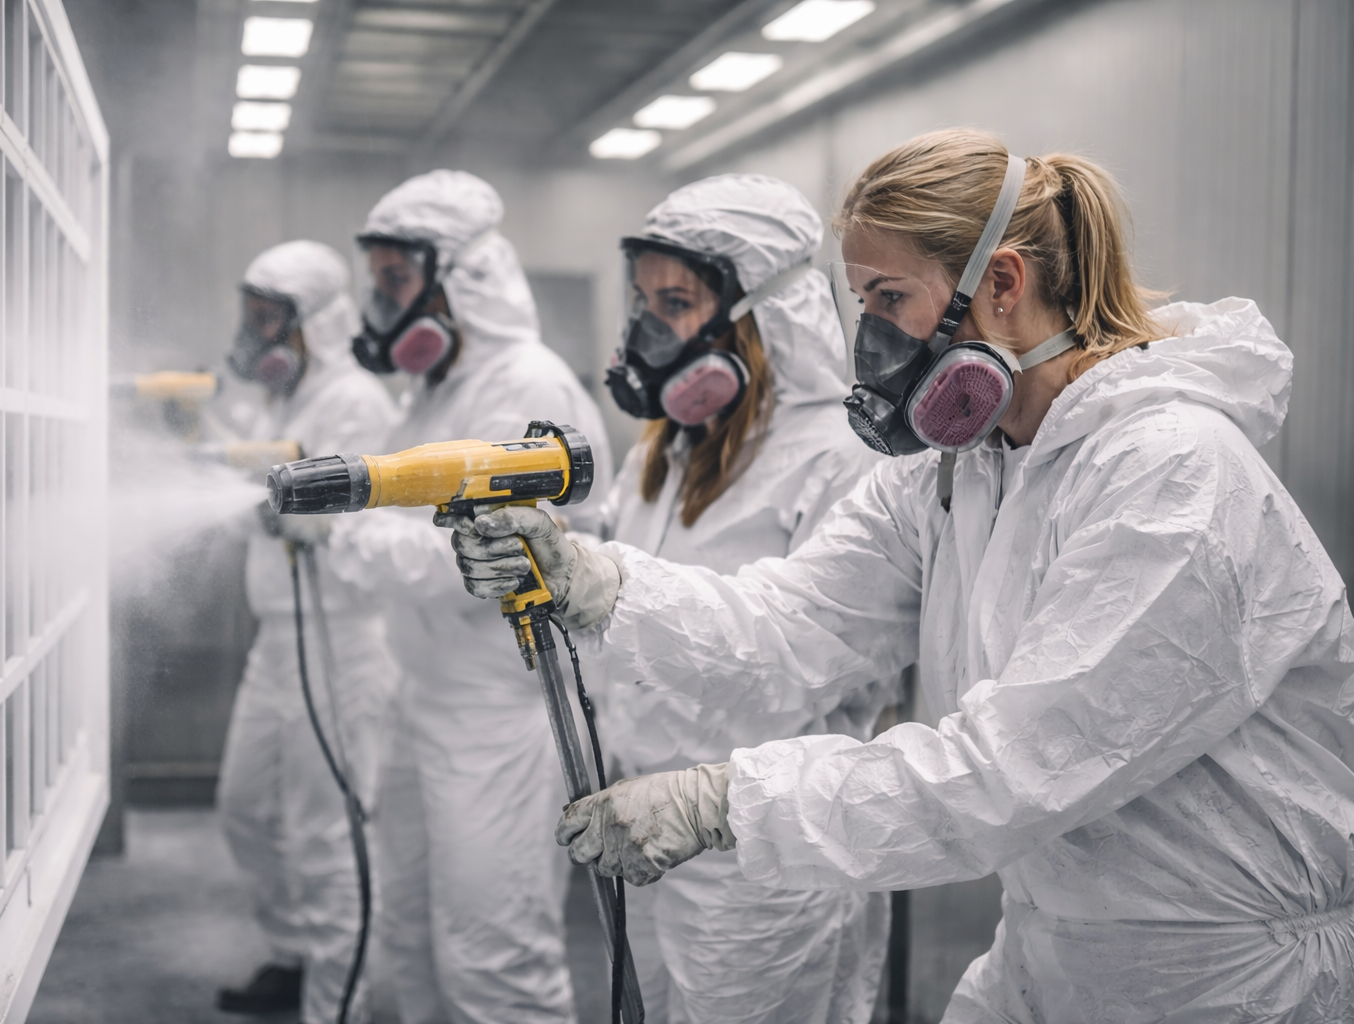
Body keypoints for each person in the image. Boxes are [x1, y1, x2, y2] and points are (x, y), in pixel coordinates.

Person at [448, 130, 1354, 1022]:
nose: (872, 339)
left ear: (1002, 284)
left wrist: (726, 799)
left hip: (1228, 976)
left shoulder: (1172, 475)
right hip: (1056, 945)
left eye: (891, 298)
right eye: (862, 305)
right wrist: (593, 580)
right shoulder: (959, 472)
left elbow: (1013, 766)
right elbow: (792, 622)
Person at [565, 174, 890, 1023]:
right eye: (643, 303)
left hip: (762, 853)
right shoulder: (665, 452)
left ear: (760, 312)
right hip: (642, 819)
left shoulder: (838, 458)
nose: (646, 331)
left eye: (674, 303)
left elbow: (807, 657)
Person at [325, 169, 612, 1024]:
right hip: (423, 694)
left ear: (461, 279)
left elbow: (481, 563)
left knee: (493, 952)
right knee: (410, 927)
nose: (382, 307)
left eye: (395, 282)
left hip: (495, 711)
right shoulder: (438, 386)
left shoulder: (527, 385)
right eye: (377, 284)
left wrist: (347, 536)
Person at [214, 240, 400, 1023]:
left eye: (272, 321)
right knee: (245, 807)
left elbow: (358, 518)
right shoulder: (280, 401)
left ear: (316, 325)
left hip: (342, 642)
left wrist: (294, 514)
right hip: (278, 637)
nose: (258, 337)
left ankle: (338, 1005)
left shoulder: (355, 401)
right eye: (252, 318)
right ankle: (293, 956)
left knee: (326, 834)